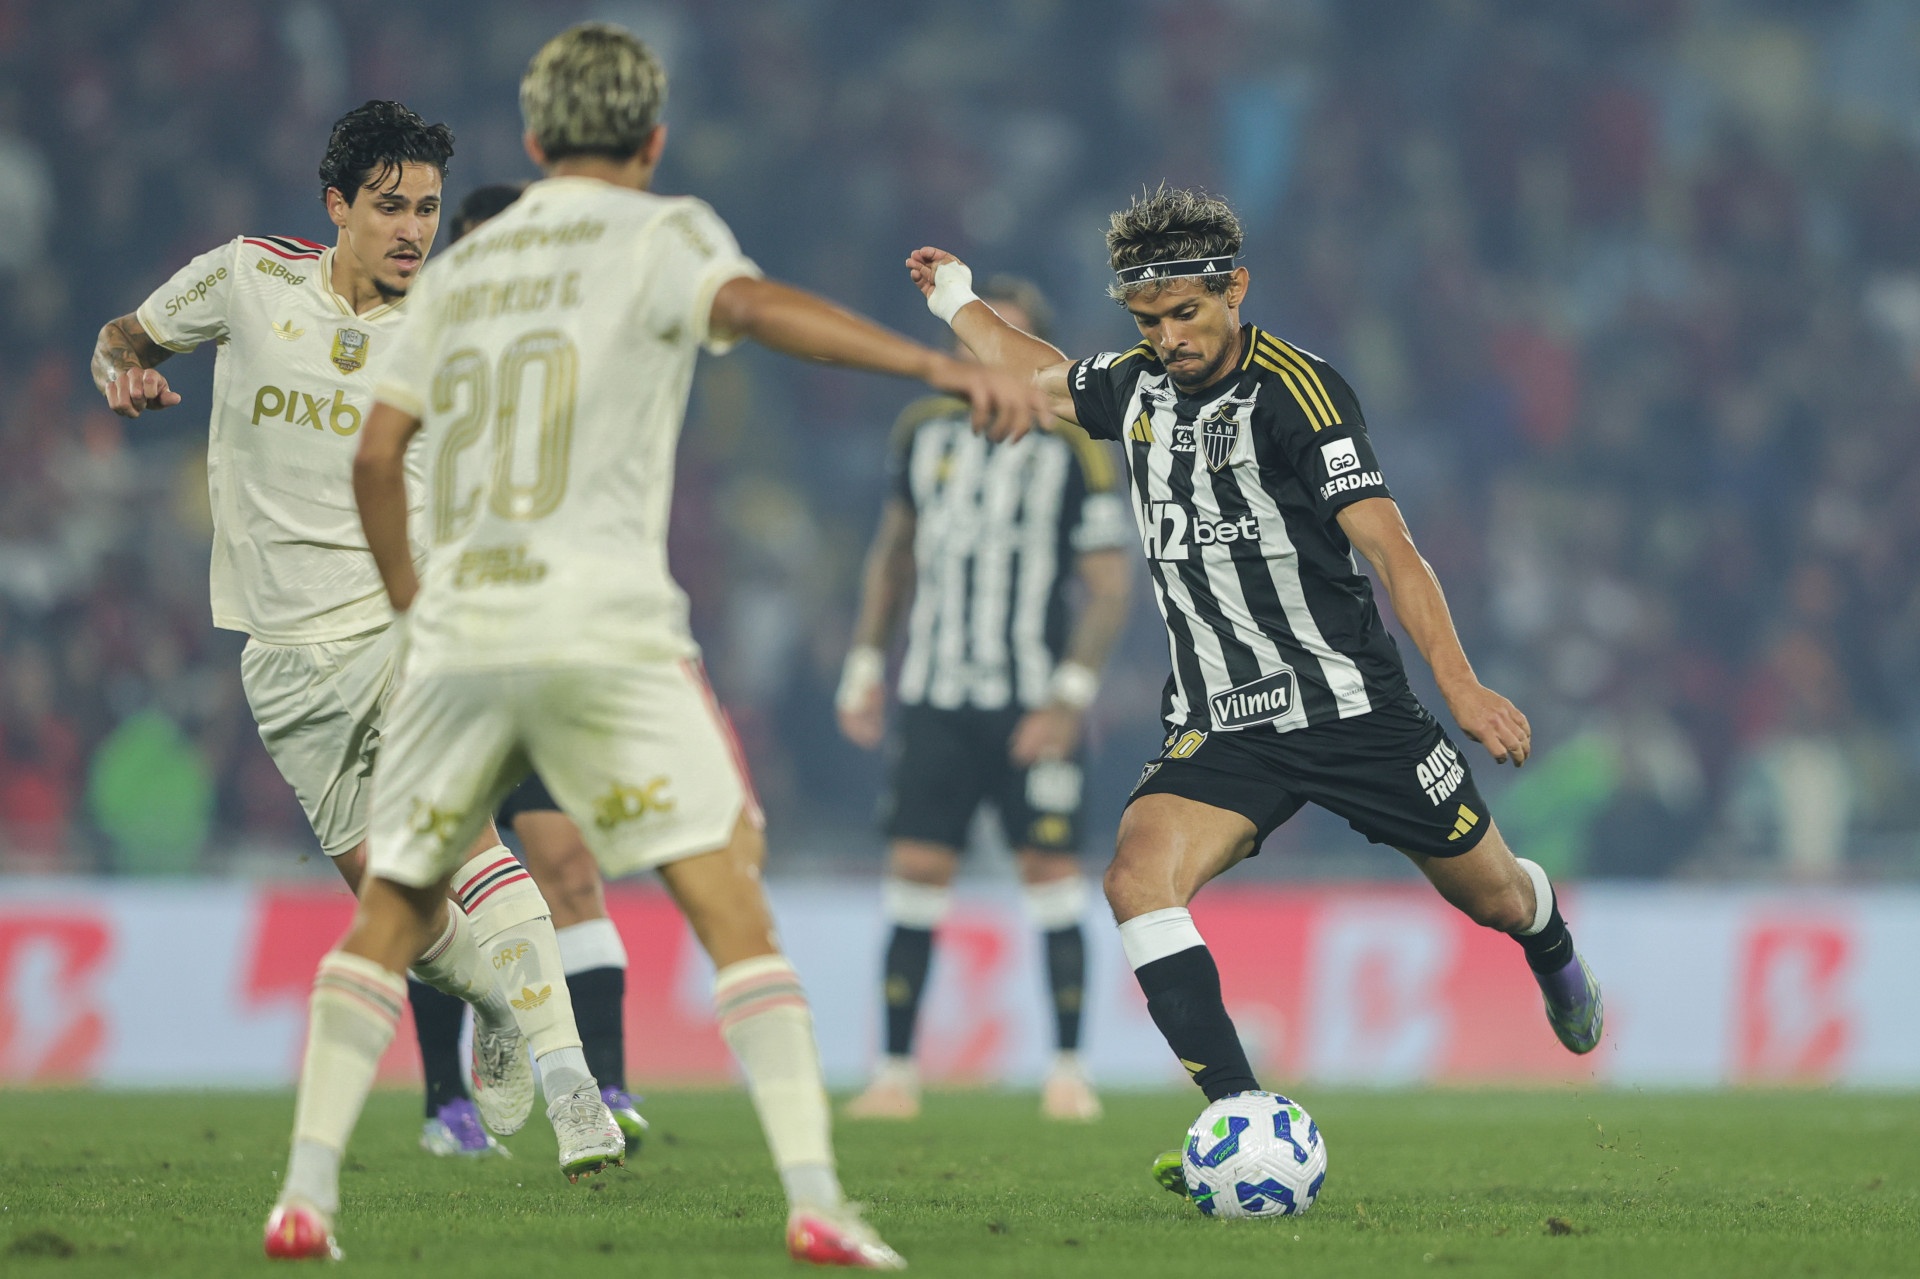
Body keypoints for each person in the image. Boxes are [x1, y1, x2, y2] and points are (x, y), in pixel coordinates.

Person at [262, 24, 1050, 1267]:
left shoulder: (459, 269)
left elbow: (375, 458)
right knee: (730, 895)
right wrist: (933, 365)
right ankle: (815, 1200)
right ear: (654, 140)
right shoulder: (663, 231)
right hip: (603, 624)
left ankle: (305, 1197)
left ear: (534, 140)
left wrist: (417, 608)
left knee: (396, 909)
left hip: (461, 635)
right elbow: (756, 308)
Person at [901, 186, 1604, 1192]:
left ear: (1235, 289)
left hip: (1355, 711)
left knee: (1491, 894)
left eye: (1186, 313)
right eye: (1149, 321)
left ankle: (1549, 938)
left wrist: (1462, 686)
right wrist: (956, 299)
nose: (1169, 339)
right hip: (1225, 723)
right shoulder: (1135, 388)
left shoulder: (1300, 394)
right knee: (1135, 879)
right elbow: (1039, 376)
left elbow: (1392, 550)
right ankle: (1238, 1117)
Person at [89, 102, 619, 1183]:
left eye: (427, 208)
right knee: (405, 912)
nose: (413, 229)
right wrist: (121, 375)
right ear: (336, 206)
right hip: (281, 654)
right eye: (390, 207)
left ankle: (576, 1095)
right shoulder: (248, 277)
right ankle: (499, 1008)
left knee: (471, 842)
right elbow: (121, 338)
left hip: (403, 625)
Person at [835, 276, 1133, 1122]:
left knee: (1050, 874)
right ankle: (895, 1073)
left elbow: (1110, 586)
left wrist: (1067, 699)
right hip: (936, 692)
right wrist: (865, 664)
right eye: (978, 337)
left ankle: (1068, 1070)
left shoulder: (1073, 445)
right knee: (916, 872)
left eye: (1010, 339)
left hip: (1031, 700)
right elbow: (894, 554)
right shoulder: (922, 429)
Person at [407, 181, 650, 1159]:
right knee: (433, 878)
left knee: (569, 865)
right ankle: (446, 1102)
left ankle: (610, 1082)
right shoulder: (416, 350)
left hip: (546, 655)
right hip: (443, 658)